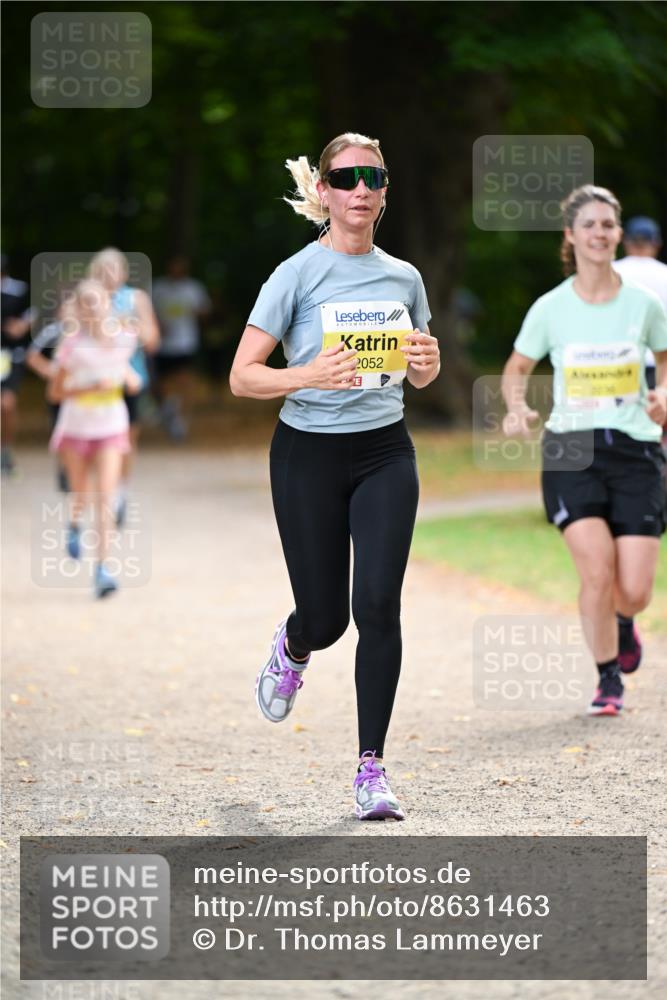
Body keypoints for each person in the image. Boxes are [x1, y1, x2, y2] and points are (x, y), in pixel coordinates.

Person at [229, 133, 440, 819]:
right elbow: (241, 376)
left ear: (384, 191)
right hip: (307, 454)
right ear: (322, 191)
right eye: (345, 177)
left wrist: (426, 362)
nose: (359, 189)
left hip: (384, 452)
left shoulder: (403, 277)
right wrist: (307, 374)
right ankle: (293, 646)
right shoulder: (293, 275)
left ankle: (370, 768)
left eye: (371, 177)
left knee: (377, 607)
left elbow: (419, 369)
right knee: (327, 621)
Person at [501, 185, 667, 716]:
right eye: (589, 225)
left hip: (637, 449)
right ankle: (608, 677)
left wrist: (663, 392)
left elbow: (665, 359)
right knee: (596, 573)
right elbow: (517, 368)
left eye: (608, 225)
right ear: (570, 236)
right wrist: (515, 407)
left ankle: (624, 620)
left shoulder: (644, 304)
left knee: (634, 590)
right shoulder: (551, 307)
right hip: (571, 450)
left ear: (619, 235)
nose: (600, 233)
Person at [47, 280, 141, 598]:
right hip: (75, 429)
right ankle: (74, 526)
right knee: (81, 495)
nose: (90, 308)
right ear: (78, 308)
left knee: (106, 499)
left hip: (111, 427)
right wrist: (90, 387)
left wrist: (130, 381)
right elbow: (55, 392)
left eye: (95, 301)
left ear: (107, 303)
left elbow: (127, 373)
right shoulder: (71, 346)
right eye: (84, 303)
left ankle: (103, 569)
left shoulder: (123, 340)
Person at [87, 248, 160, 524]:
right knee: (97, 439)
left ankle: (120, 492)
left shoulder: (135, 298)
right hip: (95, 381)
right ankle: (103, 489)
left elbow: (153, 340)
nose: (108, 276)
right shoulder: (88, 299)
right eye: (102, 270)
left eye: (114, 269)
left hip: (131, 379)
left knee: (127, 439)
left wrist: (127, 325)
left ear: (124, 273)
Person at [152, 255, 210, 440]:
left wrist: (198, 314)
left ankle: (181, 420)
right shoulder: (158, 287)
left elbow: (205, 312)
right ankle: (169, 407)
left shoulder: (193, 288)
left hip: (186, 342)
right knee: (162, 383)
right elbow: (147, 311)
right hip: (163, 343)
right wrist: (157, 324)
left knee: (185, 380)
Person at [613, 216, 667, 393]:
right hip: (658, 364)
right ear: (656, 243)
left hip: (615, 362)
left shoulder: (610, 272)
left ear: (625, 242)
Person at [1, 254, 34, 476]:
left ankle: (6, 450)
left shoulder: (20, 290)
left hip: (10, 354)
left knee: (7, 404)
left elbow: (38, 309)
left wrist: (23, 324)